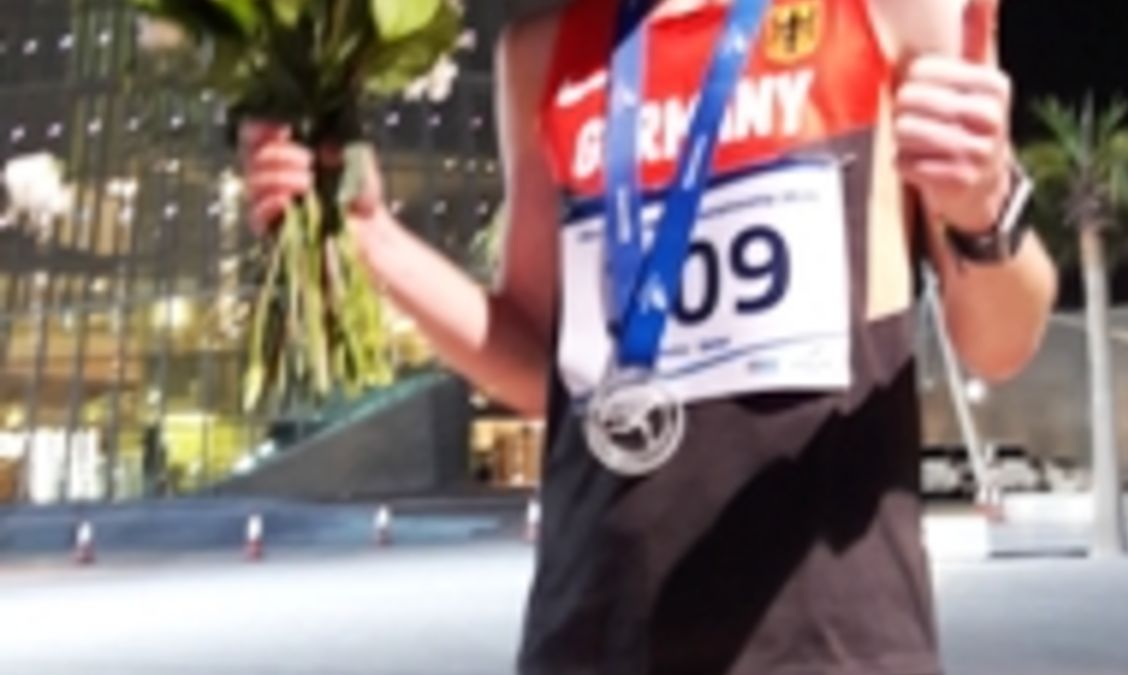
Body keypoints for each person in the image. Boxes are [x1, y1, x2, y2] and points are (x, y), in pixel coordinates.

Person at [241, 0, 1056, 671]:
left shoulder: (890, 14)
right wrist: (373, 238)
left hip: (830, 636)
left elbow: (1002, 341)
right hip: (595, 631)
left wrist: (983, 207)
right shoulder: (545, 54)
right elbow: (541, 369)